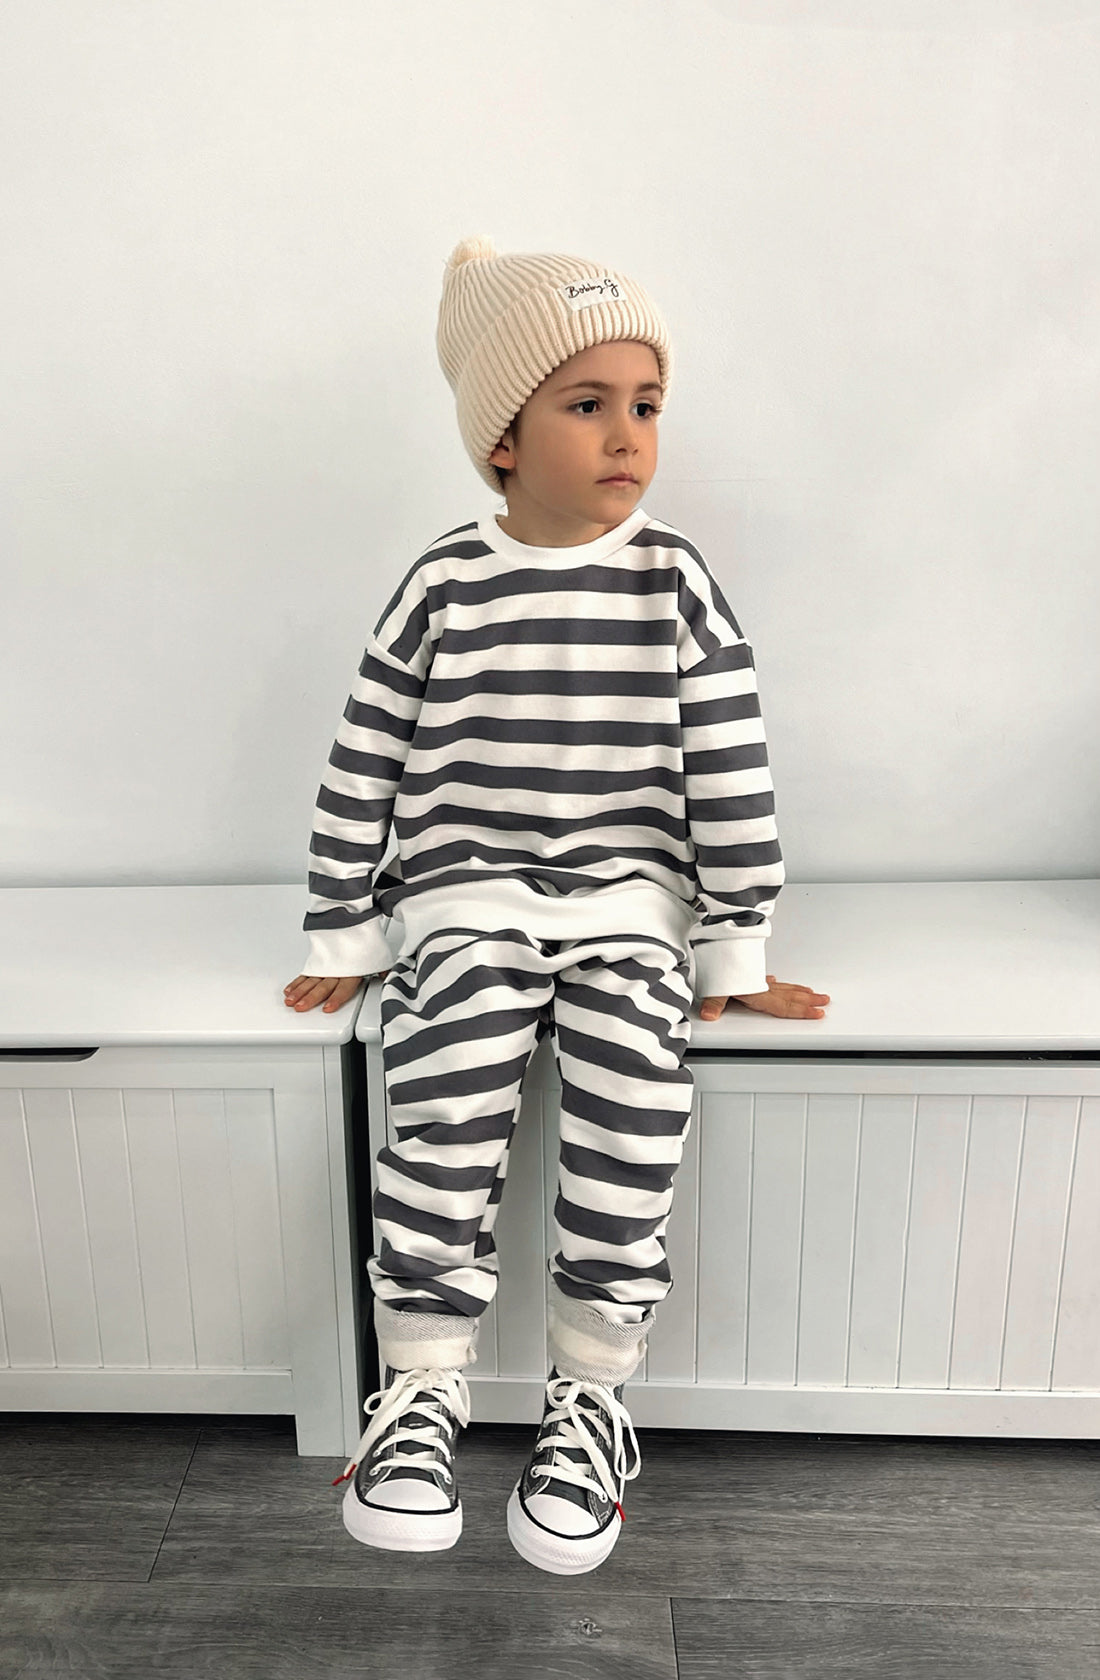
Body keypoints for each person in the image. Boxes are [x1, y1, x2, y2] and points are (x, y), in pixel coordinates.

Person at [283, 235, 830, 1576]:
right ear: (503, 442)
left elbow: (731, 777)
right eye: (587, 405)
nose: (628, 435)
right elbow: (366, 756)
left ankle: (589, 1396)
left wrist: (736, 943)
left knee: (638, 1100)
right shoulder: (443, 583)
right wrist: (348, 930)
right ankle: (419, 1392)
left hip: (631, 910)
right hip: (466, 897)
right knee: (444, 1088)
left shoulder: (676, 583)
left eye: (646, 404)